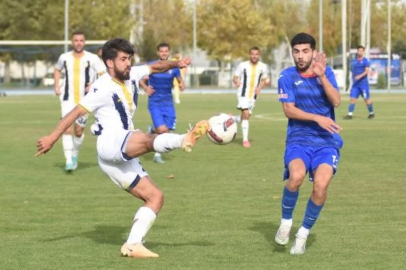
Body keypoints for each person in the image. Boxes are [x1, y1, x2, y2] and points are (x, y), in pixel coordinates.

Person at [36, 38, 209, 258]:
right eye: (124, 59)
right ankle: (184, 138)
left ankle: (133, 244)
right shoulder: (101, 87)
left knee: (156, 197)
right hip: (110, 143)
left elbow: (156, 67)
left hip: (121, 155)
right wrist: (52, 137)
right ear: (109, 62)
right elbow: (75, 113)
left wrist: (177, 64)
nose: (129, 63)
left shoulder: (133, 74)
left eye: (130, 58)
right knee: (145, 138)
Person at [274, 33, 343, 255]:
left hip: (326, 141)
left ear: (313, 52)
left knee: (321, 185)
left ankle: (302, 233)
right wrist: (317, 118)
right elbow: (288, 110)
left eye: (305, 51)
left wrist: (322, 77)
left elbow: (336, 101)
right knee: (295, 178)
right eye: (296, 51)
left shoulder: (326, 71)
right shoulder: (286, 76)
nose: (300, 56)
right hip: (299, 138)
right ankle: (285, 223)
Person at [54, 31, 105, 172]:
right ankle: (68, 160)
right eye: (76, 40)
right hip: (67, 99)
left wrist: (94, 86)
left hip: (85, 100)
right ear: (72, 42)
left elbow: (103, 75)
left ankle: (75, 154)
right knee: (66, 128)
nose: (78, 43)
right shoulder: (64, 57)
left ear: (84, 42)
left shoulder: (93, 58)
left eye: (81, 40)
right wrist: (57, 85)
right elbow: (57, 70)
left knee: (78, 131)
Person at [140, 43, 185, 164]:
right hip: (155, 102)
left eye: (166, 51)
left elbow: (180, 80)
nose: (164, 53)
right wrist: (146, 88)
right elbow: (141, 79)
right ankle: (157, 155)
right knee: (163, 130)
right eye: (161, 51)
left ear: (169, 52)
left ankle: (152, 131)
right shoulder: (152, 66)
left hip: (168, 103)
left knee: (167, 129)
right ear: (158, 53)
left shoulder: (173, 67)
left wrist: (181, 84)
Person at [232, 47, 269, 148]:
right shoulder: (242, 65)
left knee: (246, 116)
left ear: (259, 55)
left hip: (253, 96)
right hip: (243, 93)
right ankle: (245, 140)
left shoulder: (263, 67)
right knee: (246, 113)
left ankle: (233, 119)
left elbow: (265, 80)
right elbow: (235, 77)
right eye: (252, 54)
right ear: (250, 55)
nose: (254, 56)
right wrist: (237, 81)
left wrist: (260, 87)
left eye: (256, 54)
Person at [344, 45, 375, 119]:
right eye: (359, 50)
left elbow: (366, 71)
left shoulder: (365, 61)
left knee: (366, 99)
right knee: (352, 98)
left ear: (363, 52)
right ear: (357, 51)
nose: (360, 52)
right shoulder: (354, 61)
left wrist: (359, 76)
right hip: (355, 85)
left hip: (363, 84)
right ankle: (350, 114)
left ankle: (371, 113)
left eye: (361, 51)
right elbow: (352, 70)